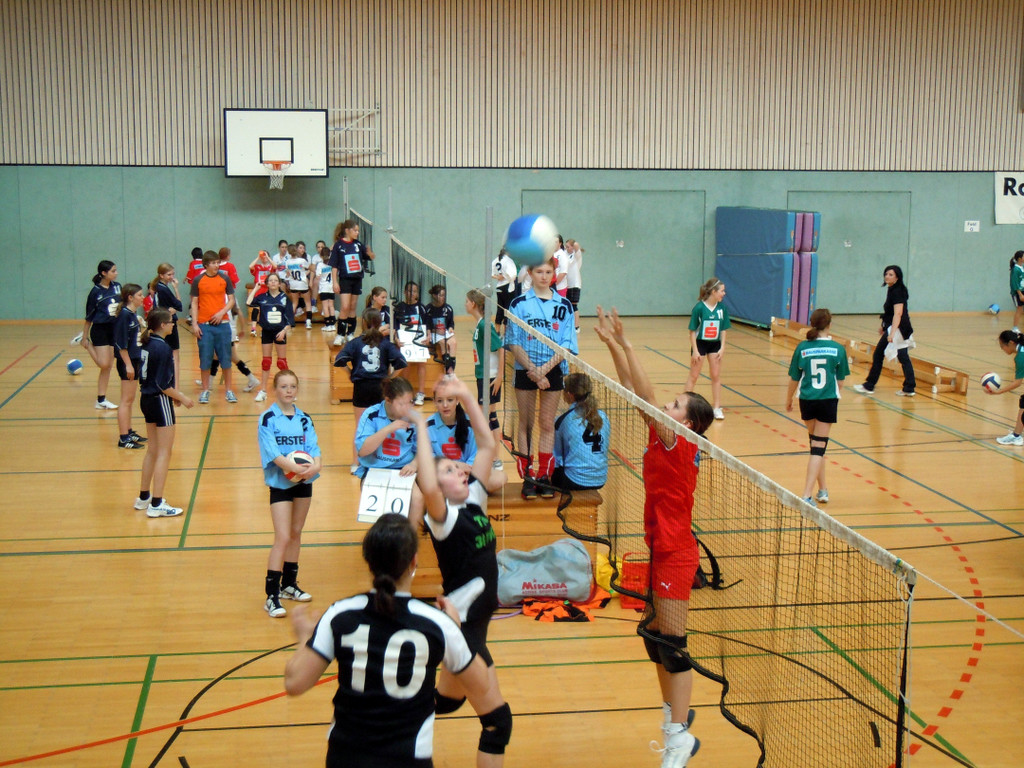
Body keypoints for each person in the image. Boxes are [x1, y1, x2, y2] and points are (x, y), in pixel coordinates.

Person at [283, 513, 511, 768]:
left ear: (368, 560)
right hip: (408, 760)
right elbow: (481, 685)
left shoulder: (340, 614)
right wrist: (457, 631)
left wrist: (304, 638)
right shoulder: (436, 623)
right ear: (414, 561)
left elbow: (294, 683)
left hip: (345, 757)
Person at [594, 306, 713, 768]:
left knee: (674, 648)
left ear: (687, 423)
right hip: (660, 548)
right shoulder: (665, 436)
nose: (667, 406)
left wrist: (626, 343)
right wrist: (612, 345)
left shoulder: (677, 442)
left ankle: (679, 737)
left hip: (677, 555)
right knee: (654, 638)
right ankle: (673, 719)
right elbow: (633, 391)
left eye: (675, 405)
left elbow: (644, 396)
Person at [407, 376, 510, 762]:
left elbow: (486, 445)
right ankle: (390, 726)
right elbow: (428, 485)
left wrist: (466, 395)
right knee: (498, 724)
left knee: (445, 703)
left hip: (474, 630)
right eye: (451, 471)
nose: (462, 472)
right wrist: (420, 427)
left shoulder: (474, 500)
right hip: (463, 633)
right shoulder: (443, 519)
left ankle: (390, 719)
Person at [504, 256, 578, 500]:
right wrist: (533, 371)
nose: (544, 276)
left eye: (548, 272)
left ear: (553, 274)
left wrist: (543, 370)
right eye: (539, 272)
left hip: (552, 369)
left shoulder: (564, 305)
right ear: (530, 273)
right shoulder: (518, 304)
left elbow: (566, 344)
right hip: (525, 368)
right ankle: (528, 476)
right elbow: (513, 341)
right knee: (526, 424)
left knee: (547, 423)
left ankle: (544, 476)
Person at [257, 369, 322, 618]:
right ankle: (271, 595)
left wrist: (316, 466)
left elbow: (314, 448)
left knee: (296, 533)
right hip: (281, 483)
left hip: (304, 480)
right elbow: (273, 453)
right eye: (284, 386)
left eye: (292, 386)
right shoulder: (268, 418)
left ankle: (289, 585)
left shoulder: (304, 418)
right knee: (283, 536)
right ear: (275, 389)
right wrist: (294, 468)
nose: (288, 391)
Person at [133, 309, 195, 517]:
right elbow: (162, 384)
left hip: (146, 399)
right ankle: (157, 503)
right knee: (164, 452)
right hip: (160, 401)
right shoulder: (163, 348)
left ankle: (144, 498)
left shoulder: (148, 343)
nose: (173, 324)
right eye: (170, 321)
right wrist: (182, 397)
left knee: (152, 450)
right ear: (162, 325)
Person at [785, 308, 849, 505]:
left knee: (816, 447)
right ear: (829, 325)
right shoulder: (838, 349)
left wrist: (788, 399)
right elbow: (840, 381)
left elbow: (794, 378)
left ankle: (823, 490)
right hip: (827, 400)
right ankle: (806, 495)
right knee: (818, 449)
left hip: (807, 400)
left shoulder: (802, 347)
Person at [335, 308, 407, 474]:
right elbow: (402, 363)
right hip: (380, 388)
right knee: (380, 424)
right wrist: (390, 378)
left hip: (361, 388)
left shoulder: (355, 343)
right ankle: (380, 460)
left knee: (360, 426)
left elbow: (339, 360)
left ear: (364, 322)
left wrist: (350, 374)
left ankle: (356, 463)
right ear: (380, 323)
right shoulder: (385, 343)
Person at [424, 375, 506, 493]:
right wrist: (454, 465)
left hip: (466, 473)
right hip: (441, 473)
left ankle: (455, 489)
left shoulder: (470, 423)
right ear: (434, 402)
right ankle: (461, 490)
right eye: (440, 401)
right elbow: (428, 458)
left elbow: (476, 454)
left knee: (500, 478)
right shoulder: (428, 426)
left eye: (450, 400)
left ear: (457, 400)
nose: (445, 405)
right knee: (425, 479)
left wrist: (464, 471)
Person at [853, 265, 917, 397]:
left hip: (899, 329)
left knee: (879, 354)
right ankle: (909, 387)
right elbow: (890, 313)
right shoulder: (892, 289)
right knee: (903, 356)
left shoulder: (898, 291)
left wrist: (892, 333)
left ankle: (869, 385)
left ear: (897, 277)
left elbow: (898, 314)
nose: (887, 276)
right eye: (886, 274)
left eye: (891, 274)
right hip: (897, 327)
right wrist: (884, 327)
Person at [189, 250, 237, 403]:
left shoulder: (224, 278)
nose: (217, 265)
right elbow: (194, 303)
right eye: (213, 263)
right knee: (205, 360)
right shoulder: (198, 280)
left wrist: (221, 313)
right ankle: (205, 391)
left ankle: (229, 391)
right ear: (206, 265)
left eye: (218, 262)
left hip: (223, 325)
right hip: (204, 325)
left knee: (226, 359)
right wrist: (195, 324)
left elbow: (231, 300)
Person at [552, 372, 610, 491]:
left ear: (569, 394)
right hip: (600, 478)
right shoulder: (603, 417)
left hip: (574, 480)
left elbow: (557, 457)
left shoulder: (563, 420)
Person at [353, 375, 418, 480]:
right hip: (374, 469)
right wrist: (388, 429)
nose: (407, 408)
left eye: (410, 402)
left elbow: (422, 450)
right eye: (401, 404)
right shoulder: (371, 415)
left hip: (403, 470)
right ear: (388, 400)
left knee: (418, 492)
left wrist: (414, 464)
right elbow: (362, 451)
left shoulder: (414, 419)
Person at [685, 278, 731, 420]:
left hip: (715, 344)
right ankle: (684, 407)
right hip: (700, 344)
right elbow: (692, 331)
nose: (724, 293)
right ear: (713, 292)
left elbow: (723, 329)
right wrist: (695, 351)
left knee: (715, 375)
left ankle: (716, 407)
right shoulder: (699, 308)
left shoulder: (722, 309)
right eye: (722, 291)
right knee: (694, 376)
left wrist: (722, 347)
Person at [80, 260, 121, 411]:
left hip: (114, 329)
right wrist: (85, 336)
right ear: (104, 273)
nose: (116, 273)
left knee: (108, 367)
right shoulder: (95, 292)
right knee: (103, 364)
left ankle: (101, 400)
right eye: (113, 271)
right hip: (100, 329)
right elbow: (89, 316)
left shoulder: (117, 287)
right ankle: (86, 344)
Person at [466, 288, 505, 450]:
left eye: (467, 301)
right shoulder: (480, 324)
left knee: (485, 417)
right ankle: (493, 456)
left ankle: (489, 455)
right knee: (490, 416)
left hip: (490, 376)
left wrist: (499, 376)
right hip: (483, 375)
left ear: (473, 304)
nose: (465, 304)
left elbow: (500, 348)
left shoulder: (485, 325)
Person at [112, 284, 146, 449]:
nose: (143, 297)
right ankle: (123, 438)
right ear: (130, 298)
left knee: (130, 399)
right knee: (126, 400)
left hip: (135, 359)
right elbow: (120, 344)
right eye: (139, 295)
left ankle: (129, 431)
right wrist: (128, 365)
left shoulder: (132, 314)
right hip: (128, 361)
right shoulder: (124, 316)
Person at [251, 273, 293, 402]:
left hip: (280, 332)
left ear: (279, 283)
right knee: (266, 362)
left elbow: (290, 320)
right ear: (267, 284)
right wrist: (256, 289)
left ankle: (289, 390)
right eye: (271, 280)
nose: (273, 282)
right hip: (267, 332)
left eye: (275, 280)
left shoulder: (285, 298)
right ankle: (263, 390)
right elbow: (249, 302)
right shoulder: (262, 297)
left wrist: (284, 331)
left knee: (282, 362)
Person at [330, 220, 371, 345]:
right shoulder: (338, 245)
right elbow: (334, 266)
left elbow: (368, 256)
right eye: (355, 230)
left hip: (357, 279)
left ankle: (350, 333)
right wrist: (335, 282)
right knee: (345, 307)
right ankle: (340, 334)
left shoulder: (358, 244)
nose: (357, 233)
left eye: (358, 231)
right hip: (345, 279)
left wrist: (370, 253)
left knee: (353, 307)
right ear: (347, 231)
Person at [393, 281, 430, 405]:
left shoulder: (422, 308)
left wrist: (428, 336)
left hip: (419, 340)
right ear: (404, 292)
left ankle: (421, 393)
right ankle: (406, 393)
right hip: (405, 341)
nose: (412, 293)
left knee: (422, 364)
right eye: (409, 291)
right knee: (406, 364)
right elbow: (395, 327)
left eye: (414, 291)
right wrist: (396, 339)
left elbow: (427, 325)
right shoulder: (399, 307)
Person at [988, 330, 1024, 445]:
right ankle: (1016, 435)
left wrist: (999, 392)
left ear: (1011, 343)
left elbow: (1018, 382)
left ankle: (1016, 436)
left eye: (1002, 346)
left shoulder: (1021, 357)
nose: (1002, 349)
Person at [150, 263, 183, 387]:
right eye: (169, 274)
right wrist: (176, 289)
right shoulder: (163, 289)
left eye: (173, 274)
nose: (172, 277)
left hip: (161, 323)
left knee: (164, 354)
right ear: (161, 275)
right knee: (174, 355)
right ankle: (175, 386)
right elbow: (179, 305)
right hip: (167, 323)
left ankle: (163, 383)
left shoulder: (159, 287)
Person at [426, 284, 457, 373]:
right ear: (434, 296)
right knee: (443, 343)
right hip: (434, 333)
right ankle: (448, 372)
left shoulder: (448, 308)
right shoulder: (428, 309)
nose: (443, 297)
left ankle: (451, 372)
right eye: (441, 295)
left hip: (445, 332)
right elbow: (427, 325)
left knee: (453, 342)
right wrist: (436, 331)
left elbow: (451, 323)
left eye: (444, 295)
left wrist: (450, 328)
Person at [247, 249, 277, 336]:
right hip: (258, 289)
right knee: (256, 309)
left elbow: (275, 266)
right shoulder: (257, 267)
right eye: (263, 257)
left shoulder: (270, 267)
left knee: (266, 310)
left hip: (267, 290)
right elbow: (250, 266)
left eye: (265, 256)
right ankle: (253, 329)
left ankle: (265, 328)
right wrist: (258, 257)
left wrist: (267, 257)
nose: (264, 258)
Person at [285, 242, 312, 329]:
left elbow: (288, 274)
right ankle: (308, 322)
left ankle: (290, 321)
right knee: (308, 302)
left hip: (293, 284)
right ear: (296, 250)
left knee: (294, 303)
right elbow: (310, 268)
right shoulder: (302, 261)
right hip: (302, 284)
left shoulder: (287, 262)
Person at [311, 242, 336, 333]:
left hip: (324, 288)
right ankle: (333, 325)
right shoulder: (332, 264)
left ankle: (328, 325)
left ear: (321, 256)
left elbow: (318, 277)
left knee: (325, 307)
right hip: (331, 287)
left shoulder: (320, 265)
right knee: (331, 306)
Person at [491, 248, 518, 330]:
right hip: (507, 287)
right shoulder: (508, 260)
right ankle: (506, 332)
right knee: (507, 309)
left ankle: (497, 331)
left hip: (499, 287)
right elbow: (512, 275)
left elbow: (492, 274)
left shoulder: (495, 260)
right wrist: (507, 277)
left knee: (499, 309)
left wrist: (498, 277)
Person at [564, 239, 584, 331]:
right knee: (567, 305)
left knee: (574, 306)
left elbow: (576, 244)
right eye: (566, 246)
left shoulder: (576, 255)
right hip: (566, 284)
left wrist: (573, 244)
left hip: (574, 284)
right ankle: (569, 325)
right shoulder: (565, 254)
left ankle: (576, 326)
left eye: (568, 246)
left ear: (572, 247)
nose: (566, 248)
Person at [1010, 251, 1024, 333]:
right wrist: (1020, 294)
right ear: (1020, 258)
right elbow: (1014, 282)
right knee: (1019, 309)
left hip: (1023, 290)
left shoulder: (1022, 267)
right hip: (1018, 293)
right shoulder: (1015, 269)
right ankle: (1015, 328)